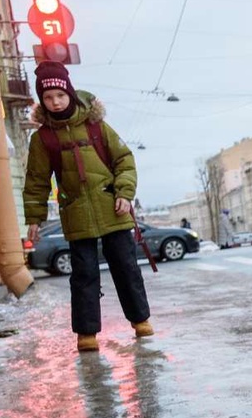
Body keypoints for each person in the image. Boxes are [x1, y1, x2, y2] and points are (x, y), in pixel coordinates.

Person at [23, 62, 154, 352]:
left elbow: (124, 160)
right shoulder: (43, 139)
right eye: (48, 97)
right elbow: (36, 180)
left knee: (126, 267)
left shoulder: (96, 125)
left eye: (59, 95)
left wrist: (124, 192)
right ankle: (86, 333)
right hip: (76, 212)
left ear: (69, 92)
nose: (55, 102)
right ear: (42, 101)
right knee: (83, 274)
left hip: (112, 207)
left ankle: (140, 319)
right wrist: (34, 216)